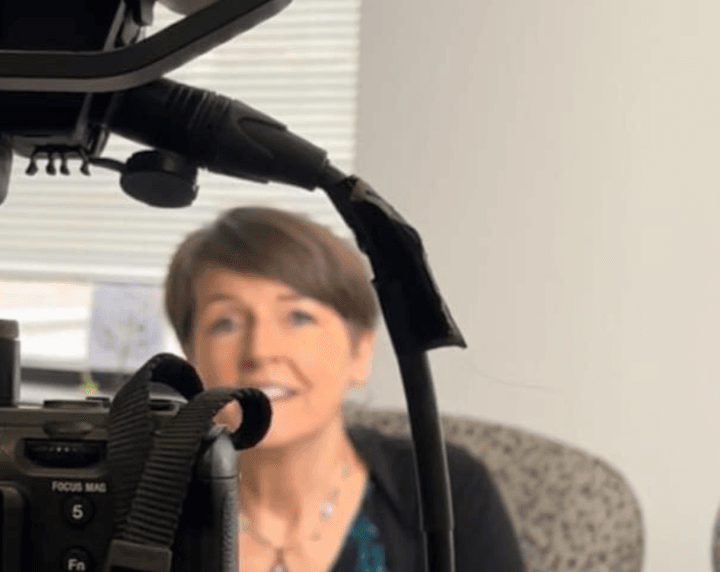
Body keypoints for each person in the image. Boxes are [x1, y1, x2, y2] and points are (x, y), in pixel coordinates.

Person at [163, 207, 524, 572]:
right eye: (226, 323)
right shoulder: (148, 504)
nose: (260, 350)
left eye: (298, 317)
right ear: (191, 358)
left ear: (360, 352)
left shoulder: (446, 487)